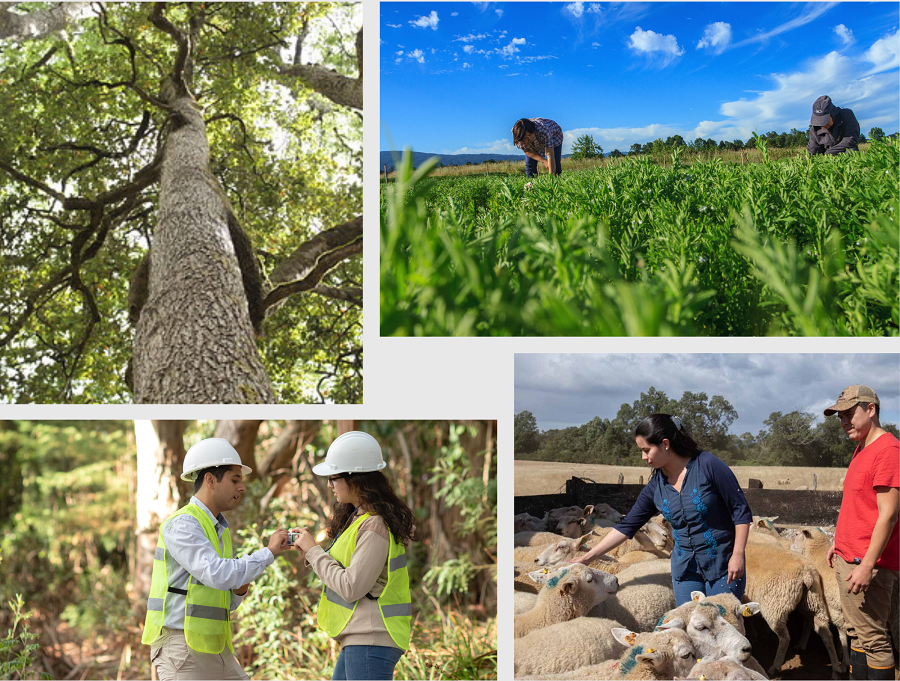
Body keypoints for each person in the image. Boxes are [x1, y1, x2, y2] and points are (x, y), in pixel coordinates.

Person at [142, 438, 290, 680]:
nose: (242, 487)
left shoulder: (219, 529)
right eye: (235, 480)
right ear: (210, 480)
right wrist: (268, 553)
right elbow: (218, 574)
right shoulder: (183, 524)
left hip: (214, 648)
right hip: (182, 649)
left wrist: (241, 585)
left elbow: (225, 601)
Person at [570, 414, 752, 606]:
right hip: (685, 570)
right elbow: (627, 526)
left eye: (646, 450)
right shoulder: (656, 486)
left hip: (724, 565)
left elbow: (740, 510)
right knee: (689, 626)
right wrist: (586, 558)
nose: (643, 457)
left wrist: (738, 554)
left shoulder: (707, 465)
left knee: (724, 625)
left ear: (665, 444)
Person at [290, 431, 416, 681]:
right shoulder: (358, 519)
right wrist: (309, 550)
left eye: (333, 478)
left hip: (371, 639)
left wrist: (315, 552)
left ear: (355, 479)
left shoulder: (375, 525)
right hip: (361, 638)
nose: (329, 485)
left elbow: (351, 586)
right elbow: (344, 568)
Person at [823, 385, 899, 681]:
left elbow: (889, 514)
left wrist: (867, 565)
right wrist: (838, 543)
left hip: (868, 564)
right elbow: (859, 504)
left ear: (871, 410)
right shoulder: (862, 448)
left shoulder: (888, 451)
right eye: (840, 416)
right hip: (848, 556)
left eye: (849, 414)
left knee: (875, 640)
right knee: (856, 633)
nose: (844, 421)